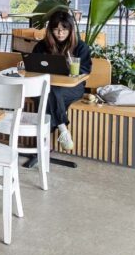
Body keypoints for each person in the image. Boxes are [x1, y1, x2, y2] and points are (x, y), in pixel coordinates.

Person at [31, 10, 92, 151]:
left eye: (64, 29)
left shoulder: (81, 47)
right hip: (47, 87)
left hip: (73, 88)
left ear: (70, 30)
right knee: (47, 92)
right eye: (56, 29)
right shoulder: (42, 46)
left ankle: (42, 144)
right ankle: (62, 128)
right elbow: (34, 65)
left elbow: (85, 70)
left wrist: (70, 68)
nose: (60, 33)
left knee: (45, 94)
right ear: (50, 30)